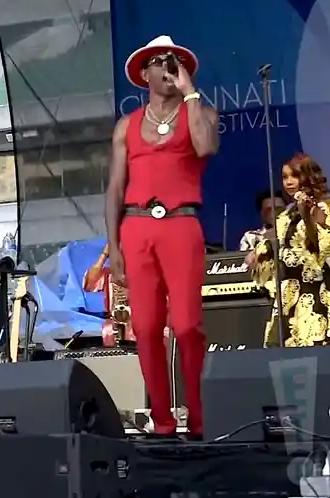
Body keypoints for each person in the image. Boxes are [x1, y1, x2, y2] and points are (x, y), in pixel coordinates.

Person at [105, 35, 219, 439]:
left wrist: (189, 94)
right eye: (159, 62)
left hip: (182, 224)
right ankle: (164, 421)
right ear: (145, 73)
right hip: (137, 228)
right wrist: (113, 247)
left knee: (187, 326)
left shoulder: (202, 113)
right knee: (147, 328)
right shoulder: (128, 125)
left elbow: (204, 147)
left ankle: (201, 418)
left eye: (174, 62)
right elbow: (115, 189)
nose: (167, 68)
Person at [247, 154, 330, 347]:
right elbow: (277, 243)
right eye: (285, 177)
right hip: (289, 296)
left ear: (309, 177)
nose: (289, 182)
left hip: (316, 293)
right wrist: (258, 253)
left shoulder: (323, 207)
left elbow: (321, 247)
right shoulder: (285, 215)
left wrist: (306, 215)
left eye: (295, 176)